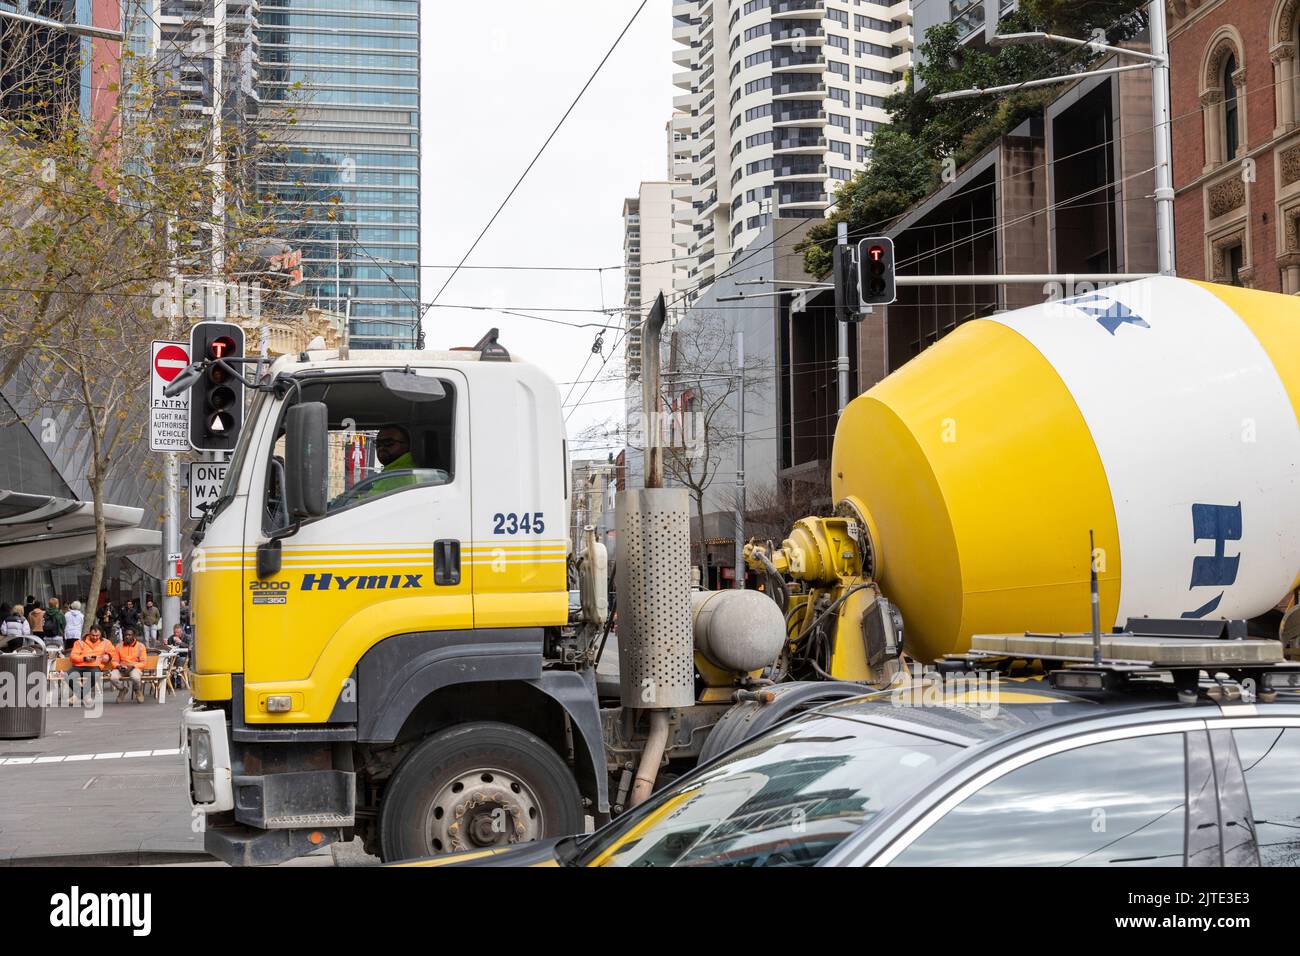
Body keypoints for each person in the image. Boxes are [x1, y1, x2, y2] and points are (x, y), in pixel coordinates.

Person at [69, 625, 115, 703]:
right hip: (79, 665)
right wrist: (84, 658)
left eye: (97, 635)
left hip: (95, 666)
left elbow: (113, 652)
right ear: (89, 633)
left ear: (101, 634)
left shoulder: (106, 642)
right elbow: (73, 657)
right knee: (69, 675)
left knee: (95, 674)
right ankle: (84, 695)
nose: (95, 637)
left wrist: (108, 656)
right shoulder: (80, 642)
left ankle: (78, 695)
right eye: (93, 635)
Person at [110, 628, 147, 703]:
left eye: (129, 635)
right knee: (113, 677)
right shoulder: (118, 646)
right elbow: (114, 661)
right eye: (125, 635)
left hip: (134, 668)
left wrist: (133, 666)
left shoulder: (141, 646)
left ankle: (137, 690)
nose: (127, 637)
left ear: (134, 636)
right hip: (122, 668)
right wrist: (118, 666)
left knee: (136, 677)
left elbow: (143, 662)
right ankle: (123, 689)